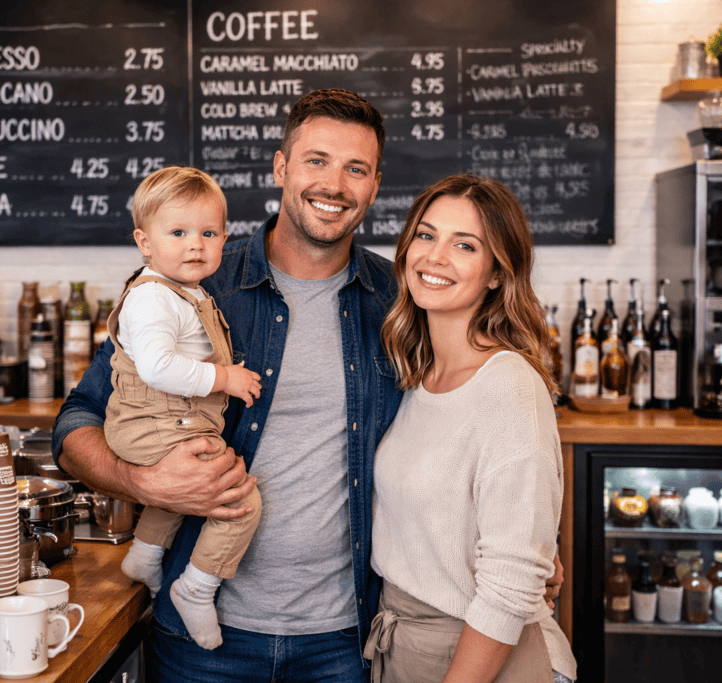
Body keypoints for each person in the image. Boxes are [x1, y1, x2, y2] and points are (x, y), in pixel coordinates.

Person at [53, 90, 561, 682]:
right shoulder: (196, 282)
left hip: (346, 641)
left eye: (356, 169)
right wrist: (143, 481)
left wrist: (526, 554)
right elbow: (77, 420)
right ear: (281, 167)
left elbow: (481, 440)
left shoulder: (401, 302)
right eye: (316, 160)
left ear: (374, 186)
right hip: (202, 637)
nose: (334, 184)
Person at [363, 174, 576, 683]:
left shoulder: (508, 388)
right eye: (426, 235)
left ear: (498, 274)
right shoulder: (419, 377)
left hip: (482, 655)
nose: (435, 258)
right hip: (408, 643)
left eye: (465, 245)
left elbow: (511, 582)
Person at [104, 166, 263, 651]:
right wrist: (225, 378)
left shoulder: (184, 292)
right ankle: (196, 587)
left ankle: (145, 555)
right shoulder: (154, 297)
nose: (195, 244)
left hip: (165, 420)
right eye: (178, 232)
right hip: (155, 420)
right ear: (144, 241)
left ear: (224, 238)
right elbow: (155, 367)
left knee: (180, 489)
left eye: (208, 233)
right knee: (237, 500)